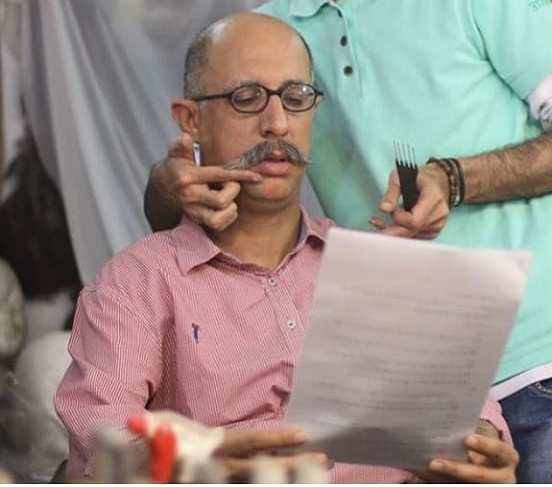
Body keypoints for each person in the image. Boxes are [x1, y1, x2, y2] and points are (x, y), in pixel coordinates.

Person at [144, 1, 552, 483]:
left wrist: (455, 178)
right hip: (412, 381)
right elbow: (180, 200)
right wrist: (167, 183)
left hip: (547, 359)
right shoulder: (268, 34)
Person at [55, 13, 518, 483]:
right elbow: (102, 452)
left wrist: (481, 447)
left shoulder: (377, 270)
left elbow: (473, 419)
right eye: (246, 98)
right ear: (190, 120)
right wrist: (196, 463)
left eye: (296, 98)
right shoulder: (137, 284)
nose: (277, 124)